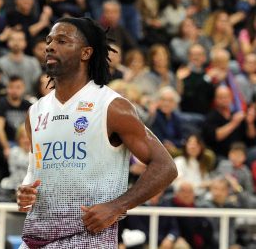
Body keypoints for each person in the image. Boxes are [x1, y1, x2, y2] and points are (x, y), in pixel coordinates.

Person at [16, 17, 177, 248]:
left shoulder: (112, 106)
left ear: (86, 53)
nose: (50, 46)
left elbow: (166, 166)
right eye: (49, 40)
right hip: (36, 238)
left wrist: (118, 206)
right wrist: (26, 189)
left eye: (62, 41)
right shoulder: (35, 111)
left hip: (88, 239)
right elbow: (35, 170)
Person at [0, 76, 32, 159]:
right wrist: (6, 147)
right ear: (7, 88)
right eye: (11, 87)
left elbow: (32, 128)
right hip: (8, 141)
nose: (14, 90)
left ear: (23, 89)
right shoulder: (1, 104)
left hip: (24, 141)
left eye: (18, 87)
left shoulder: (28, 105)